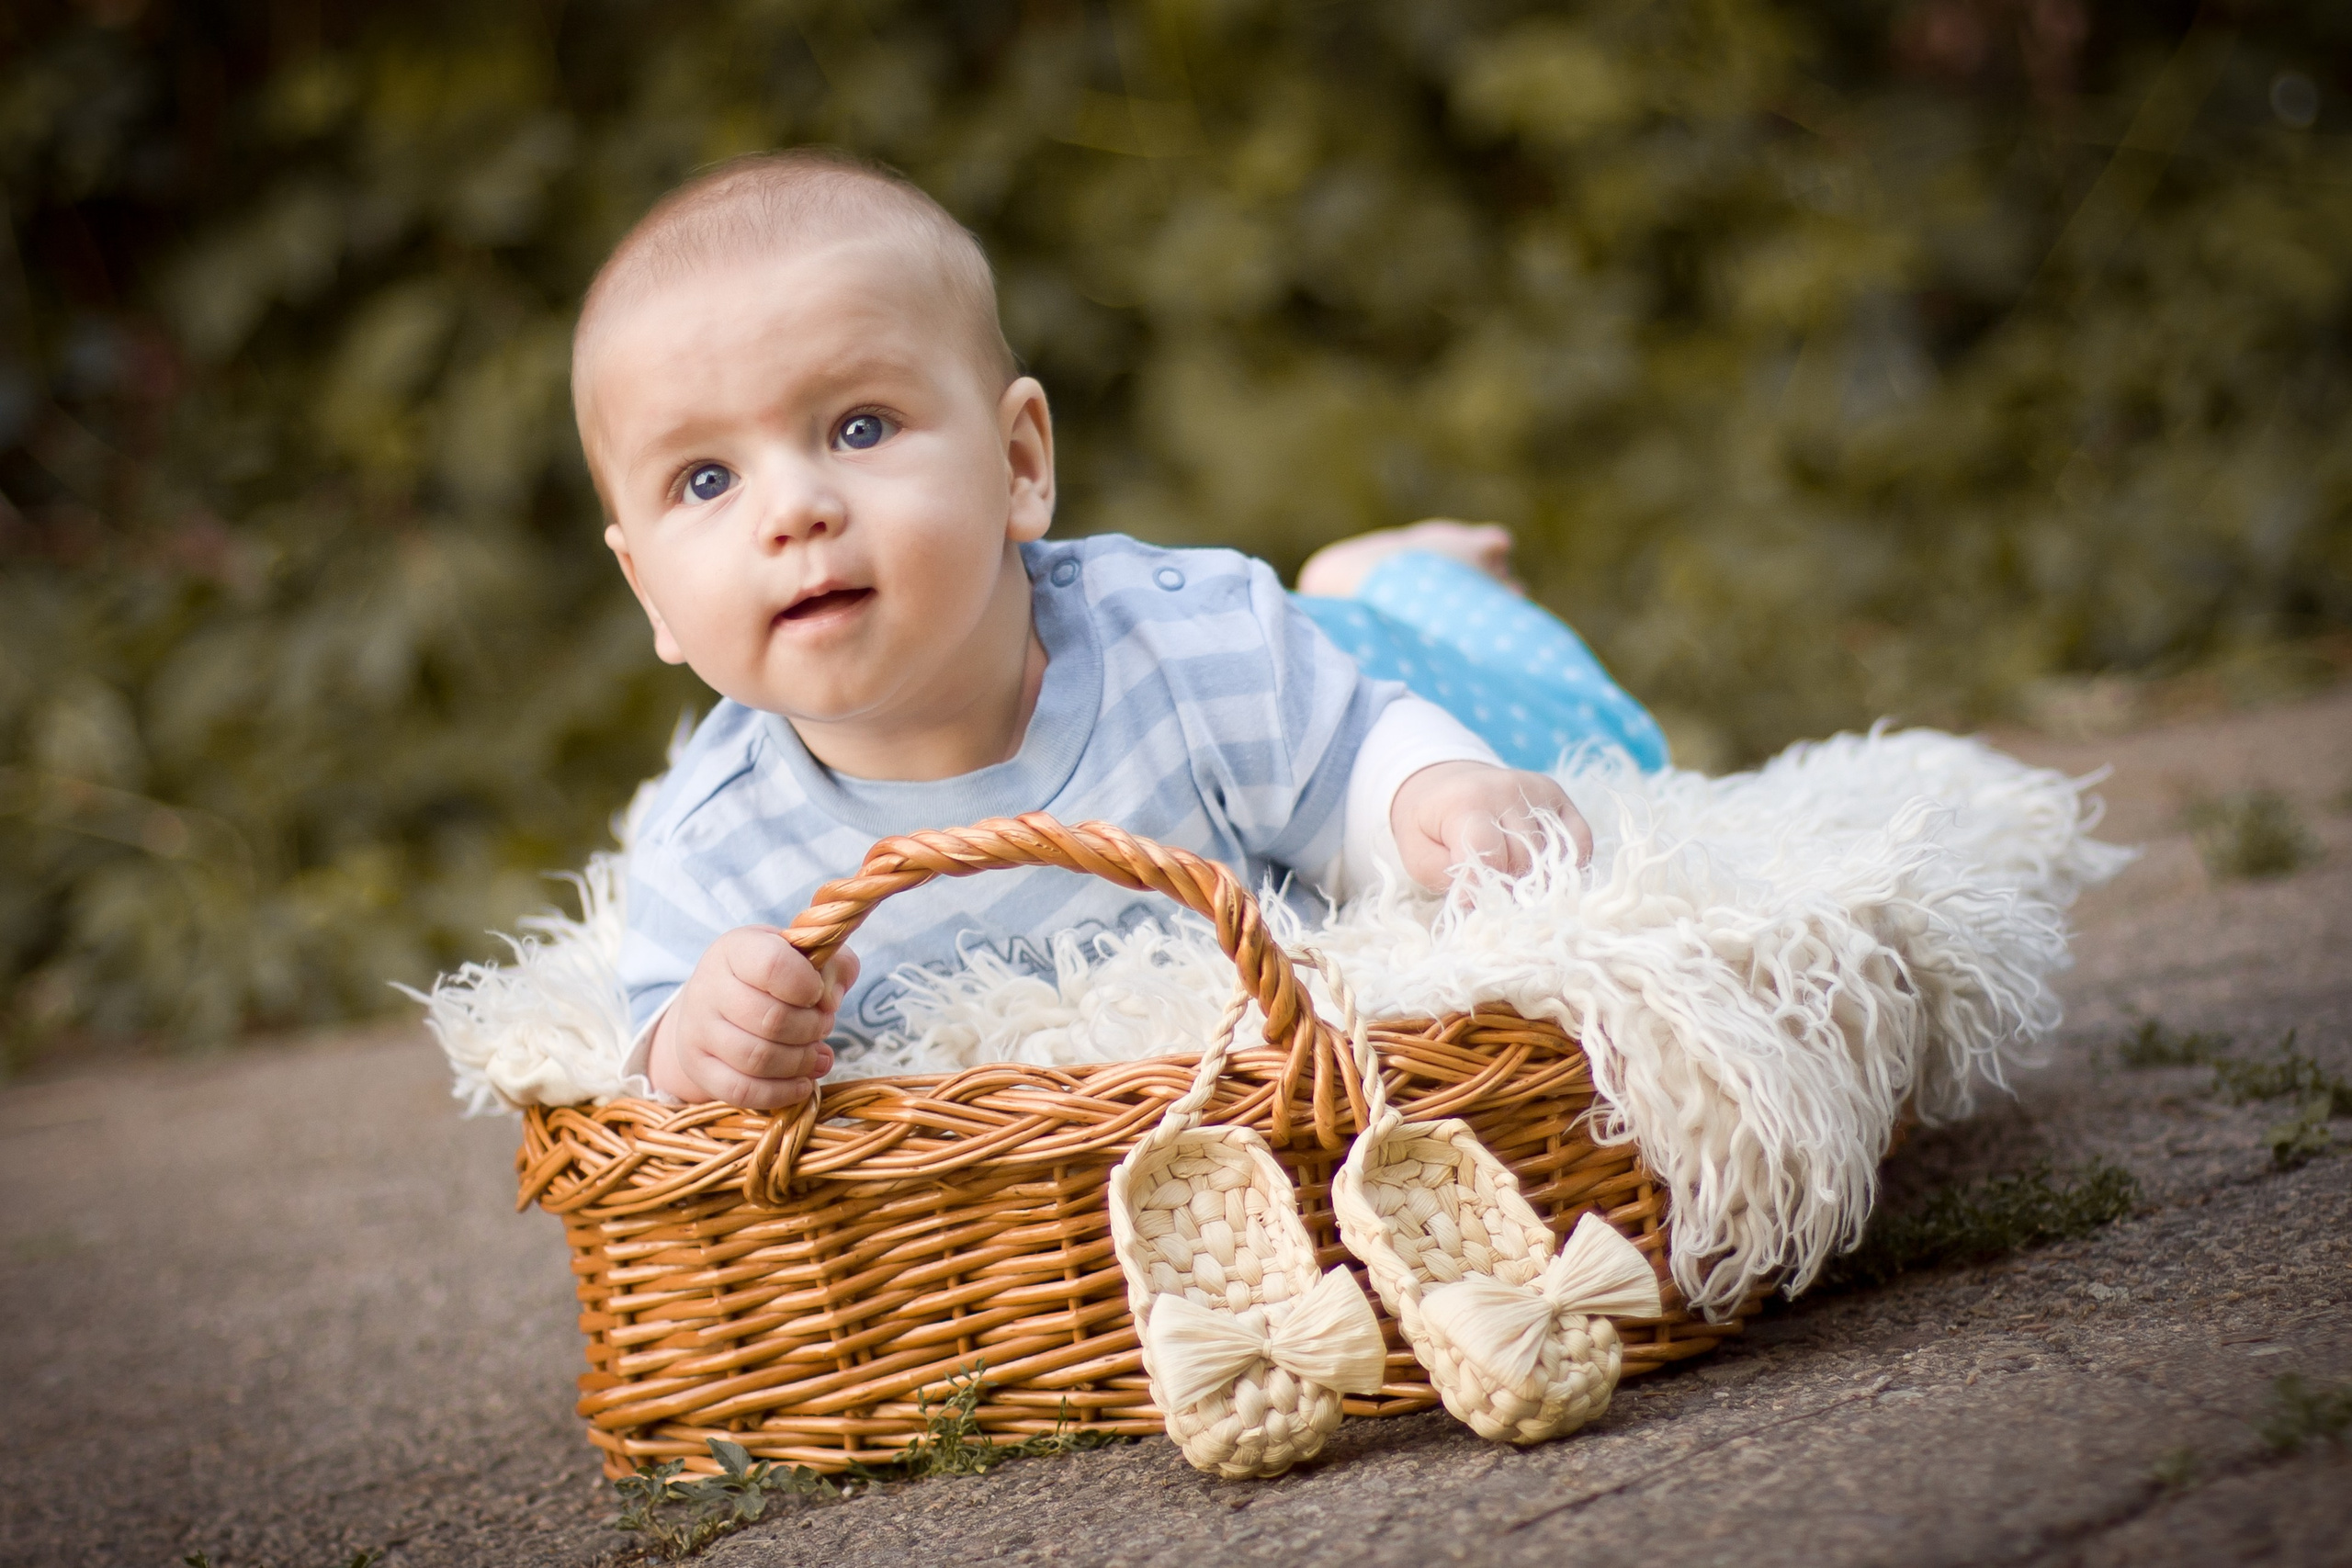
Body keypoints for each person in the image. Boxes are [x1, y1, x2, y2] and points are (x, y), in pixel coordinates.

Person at [573, 150, 1664, 1109]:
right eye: (705, 478)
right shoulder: (717, 843)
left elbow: (1349, 766)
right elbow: (652, 1052)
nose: (792, 509)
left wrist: (1426, 799)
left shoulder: (1185, 648)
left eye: (860, 427)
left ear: (1019, 466)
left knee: (1596, 750)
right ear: (650, 595)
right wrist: (702, 1041)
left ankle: (1393, 576)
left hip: (1355, 658)